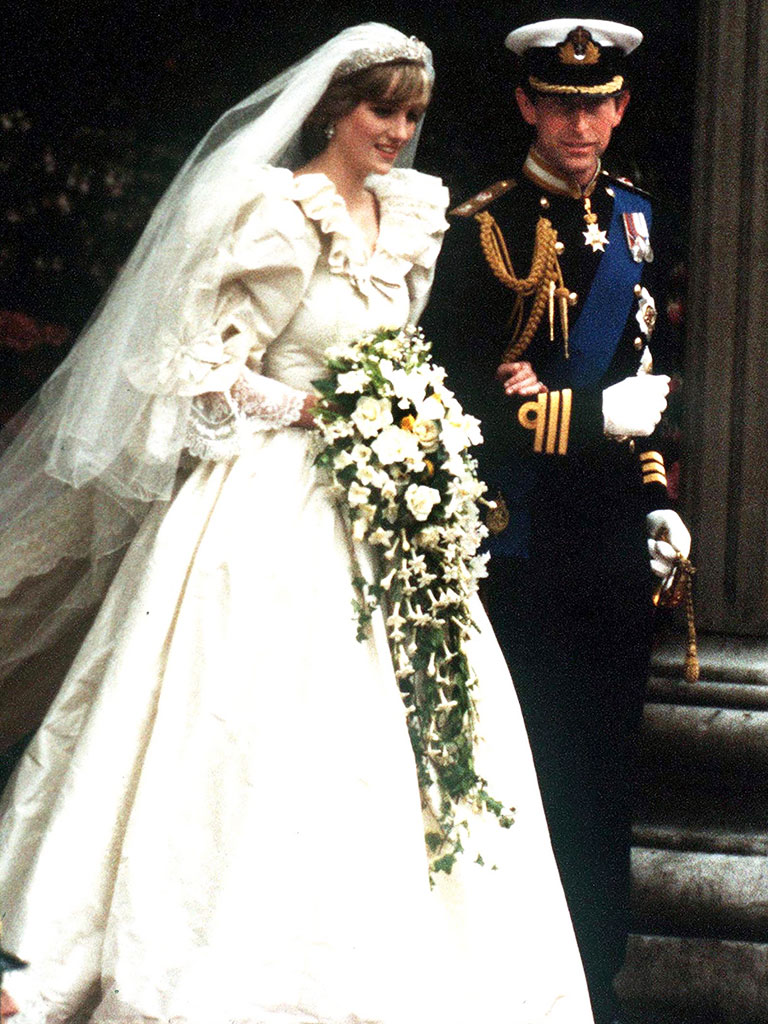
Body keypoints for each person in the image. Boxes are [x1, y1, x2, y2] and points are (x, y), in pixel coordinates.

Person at [0, 24, 595, 1024]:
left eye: (411, 116)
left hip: (382, 506)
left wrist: (408, 422)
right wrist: (318, 409)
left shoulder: (409, 219)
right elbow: (199, 366)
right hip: (270, 497)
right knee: (239, 723)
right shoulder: (277, 218)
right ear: (334, 109)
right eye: (382, 112)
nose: (397, 134)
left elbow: (398, 351)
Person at [423, 18, 691, 1024]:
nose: (582, 124)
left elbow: (645, 390)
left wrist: (662, 499)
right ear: (528, 105)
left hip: (615, 548)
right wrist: (582, 417)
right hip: (519, 548)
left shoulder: (635, 224)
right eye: (562, 103)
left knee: (606, 774)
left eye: (599, 103)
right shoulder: (480, 231)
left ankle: (598, 988)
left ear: (621, 106)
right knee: (529, 774)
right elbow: (451, 402)